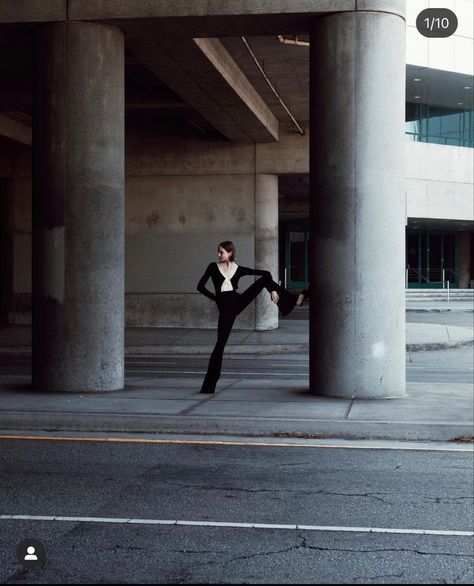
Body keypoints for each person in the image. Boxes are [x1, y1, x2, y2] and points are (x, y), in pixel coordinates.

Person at [197, 241, 298, 394]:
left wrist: (272, 290)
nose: (218, 255)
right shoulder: (213, 267)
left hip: (238, 302)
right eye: (218, 252)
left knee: (264, 280)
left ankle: (288, 302)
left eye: (221, 252)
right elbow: (200, 286)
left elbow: (265, 274)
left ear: (230, 253)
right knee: (220, 345)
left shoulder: (238, 269)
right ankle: (209, 385)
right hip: (226, 309)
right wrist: (216, 298)